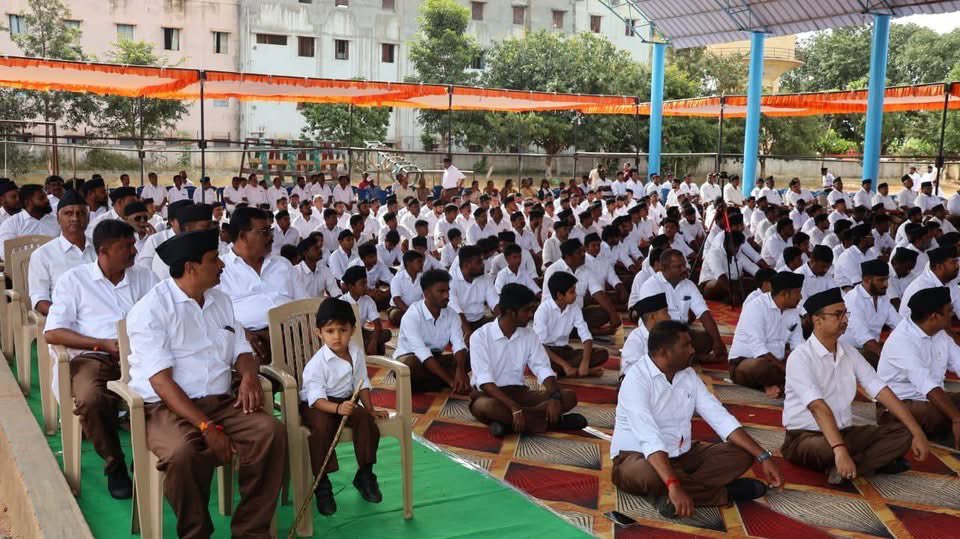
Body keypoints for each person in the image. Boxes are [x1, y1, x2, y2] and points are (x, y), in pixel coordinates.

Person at [125, 229, 286, 536]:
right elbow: (161, 382)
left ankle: (252, 530)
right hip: (165, 407)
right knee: (181, 454)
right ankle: (196, 532)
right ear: (191, 268)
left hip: (221, 401)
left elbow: (241, 348)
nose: (222, 265)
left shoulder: (220, 299)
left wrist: (249, 376)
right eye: (214, 260)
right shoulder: (150, 310)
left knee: (271, 432)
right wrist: (206, 427)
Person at [611, 320, 782, 519]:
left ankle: (671, 493)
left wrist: (763, 456)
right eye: (686, 346)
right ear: (665, 353)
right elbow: (649, 437)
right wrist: (673, 483)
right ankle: (723, 493)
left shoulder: (688, 375)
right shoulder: (636, 380)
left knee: (743, 452)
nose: (693, 350)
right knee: (648, 474)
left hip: (683, 455)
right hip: (637, 457)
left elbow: (719, 417)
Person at [44, 219, 158, 499]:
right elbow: (53, 332)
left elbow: (162, 315)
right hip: (95, 356)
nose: (133, 251)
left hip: (141, 353)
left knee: (173, 387)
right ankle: (114, 463)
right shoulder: (74, 280)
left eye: (133, 245)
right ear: (104, 251)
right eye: (126, 247)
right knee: (91, 399)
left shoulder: (144, 277)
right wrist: (101, 344)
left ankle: (151, 451)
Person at [781, 288, 929, 484]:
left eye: (845, 313)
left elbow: (880, 389)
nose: (845, 319)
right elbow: (817, 407)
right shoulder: (800, 357)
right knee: (829, 449)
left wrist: (917, 431)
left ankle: (847, 467)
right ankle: (857, 461)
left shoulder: (848, 351)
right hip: (804, 437)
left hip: (844, 432)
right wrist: (840, 450)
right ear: (818, 321)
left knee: (903, 433)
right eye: (837, 314)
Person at [298, 297, 388, 516]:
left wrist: (370, 408)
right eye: (330, 331)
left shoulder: (356, 353)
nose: (337, 337)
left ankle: (365, 473)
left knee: (366, 420)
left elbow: (362, 382)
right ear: (319, 333)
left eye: (342, 330)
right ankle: (322, 484)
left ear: (353, 330)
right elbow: (316, 399)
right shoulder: (316, 365)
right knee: (320, 430)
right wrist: (337, 410)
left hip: (345, 401)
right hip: (317, 405)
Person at [468, 283, 586, 437]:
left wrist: (554, 397)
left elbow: (543, 368)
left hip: (520, 393)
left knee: (569, 396)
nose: (531, 314)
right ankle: (551, 422)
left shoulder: (529, 334)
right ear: (511, 312)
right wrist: (513, 406)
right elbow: (485, 382)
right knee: (487, 407)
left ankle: (511, 424)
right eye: (526, 310)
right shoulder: (479, 337)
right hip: (491, 395)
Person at [877, 287, 960, 446]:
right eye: (949, 311)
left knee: (947, 410)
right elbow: (926, 385)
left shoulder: (940, 333)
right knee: (943, 414)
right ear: (934, 317)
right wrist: (956, 418)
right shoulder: (902, 340)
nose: (952, 315)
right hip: (899, 405)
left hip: (930, 398)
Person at [218, 207, 298, 363]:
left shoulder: (282, 264)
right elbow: (214, 319)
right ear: (243, 236)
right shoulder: (221, 269)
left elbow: (304, 303)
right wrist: (242, 333)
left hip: (293, 335)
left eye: (270, 231)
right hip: (251, 342)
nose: (271, 237)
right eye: (264, 232)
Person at [638, 249, 727, 362]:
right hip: (658, 334)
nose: (684, 269)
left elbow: (704, 314)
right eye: (678, 267)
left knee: (707, 340)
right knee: (673, 346)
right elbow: (655, 324)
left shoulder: (688, 285)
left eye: (684, 265)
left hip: (680, 333)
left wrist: (717, 341)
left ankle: (685, 356)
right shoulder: (651, 286)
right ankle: (691, 358)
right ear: (664, 268)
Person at [728, 271, 804, 397]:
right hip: (746, 363)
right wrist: (785, 369)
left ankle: (778, 385)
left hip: (777, 364)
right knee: (761, 367)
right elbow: (759, 350)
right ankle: (783, 385)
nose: (800, 297)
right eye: (798, 293)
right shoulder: (756, 307)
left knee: (807, 366)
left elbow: (799, 345)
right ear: (784, 294)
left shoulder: (793, 312)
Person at [393, 269, 470, 394]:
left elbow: (459, 344)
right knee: (410, 365)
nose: (447, 296)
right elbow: (422, 352)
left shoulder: (452, 314)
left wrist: (460, 370)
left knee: (468, 355)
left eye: (447, 291)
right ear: (427, 293)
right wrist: (451, 381)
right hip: (411, 359)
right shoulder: (412, 315)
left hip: (436, 359)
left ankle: (432, 382)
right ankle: (440, 381)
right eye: (441, 291)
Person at [28, 190, 96, 316]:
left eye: (80, 213)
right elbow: (39, 299)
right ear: (58, 219)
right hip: (64, 319)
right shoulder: (43, 255)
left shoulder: (100, 249)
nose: (75, 218)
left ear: (88, 218)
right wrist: (65, 314)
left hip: (100, 315)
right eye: (68, 213)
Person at [533, 271, 609, 378]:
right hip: (547, 353)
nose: (576, 295)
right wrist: (565, 364)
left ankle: (572, 370)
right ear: (560, 295)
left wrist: (585, 362)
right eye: (572, 292)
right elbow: (540, 346)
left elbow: (586, 337)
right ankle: (574, 370)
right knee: (540, 361)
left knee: (602, 354)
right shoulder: (543, 311)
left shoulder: (574, 308)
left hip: (565, 351)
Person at [841, 260, 901, 367]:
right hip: (851, 350)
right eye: (881, 280)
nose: (886, 285)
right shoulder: (853, 300)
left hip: (872, 347)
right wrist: (887, 358)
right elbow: (864, 338)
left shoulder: (883, 298)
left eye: (887, 280)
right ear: (867, 280)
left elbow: (899, 324)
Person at [450, 245, 499, 341]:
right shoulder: (451, 280)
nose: (483, 265)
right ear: (466, 265)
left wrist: (502, 319)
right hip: (459, 324)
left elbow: (494, 301)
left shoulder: (484, 277)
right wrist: (468, 332)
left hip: (480, 321)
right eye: (479, 262)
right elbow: (455, 310)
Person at [339, 266, 391, 356]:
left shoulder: (368, 300)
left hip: (361, 332)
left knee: (386, 333)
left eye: (366, 283)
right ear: (351, 287)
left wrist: (373, 342)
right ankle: (366, 346)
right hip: (345, 334)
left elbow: (377, 324)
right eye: (362, 284)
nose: (366, 287)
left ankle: (369, 345)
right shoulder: (341, 302)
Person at [899, 246, 960, 319]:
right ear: (939, 267)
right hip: (912, 328)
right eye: (953, 263)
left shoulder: (949, 282)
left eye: (957, 262)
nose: (957, 266)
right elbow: (931, 322)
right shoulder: (923, 287)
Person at [620, 293, 670, 377]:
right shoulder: (636, 339)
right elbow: (629, 372)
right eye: (665, 312)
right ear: (653, 317)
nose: (669, 317)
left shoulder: (665, 335)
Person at [0, 183, 59, 249]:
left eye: (46, 197)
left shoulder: (57, 220)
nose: (47, 200)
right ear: (27, 202)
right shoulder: (11, 224)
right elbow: (5, 251)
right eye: (41, 198)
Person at [388, 250, 424, 327]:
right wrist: (410, 312)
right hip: (400, 309)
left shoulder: (423, 278)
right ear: (409, 263)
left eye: (422, 262)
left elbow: (427, 297)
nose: (422, 264)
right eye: (419, 262)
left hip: (418, 309)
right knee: (395, 315)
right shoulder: (397, 278)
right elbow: (397, 300)